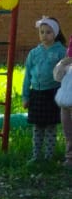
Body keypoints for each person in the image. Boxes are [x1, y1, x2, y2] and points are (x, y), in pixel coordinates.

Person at [22, 17, 67, 161]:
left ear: (55, 33)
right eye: (41, 32)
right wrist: (25, 96)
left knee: (50, 127)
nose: (44, 35)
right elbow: (27, 76)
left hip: (52, 93)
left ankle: (49, 157)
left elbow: (66, 74)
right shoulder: (34, 53)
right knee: (37, 127)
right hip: (36, 94)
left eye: (48, 32)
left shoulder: (61, 52)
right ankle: (36, 156)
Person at [53, 39, 72, 167]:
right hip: (65, 103)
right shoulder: (66, 65)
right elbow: (57, 77)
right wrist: (62, 64)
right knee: (68, 132)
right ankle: (70, 157)